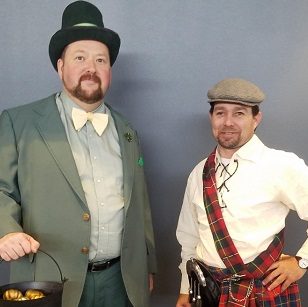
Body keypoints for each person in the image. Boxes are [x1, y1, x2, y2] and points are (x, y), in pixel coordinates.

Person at [0, 1, 156, 307]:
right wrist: (5, 231)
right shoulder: (18, 123)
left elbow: (141, 205)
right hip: (48, 279)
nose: (91, 68)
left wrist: (147, 265)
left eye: (101, 60)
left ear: (110, 70)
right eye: (80, 57)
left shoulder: (127, 131)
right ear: (61, 67)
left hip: (122, 282)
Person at [176, 78, 308, 306]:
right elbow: (189, 239)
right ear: (211, 118)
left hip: (263, 291)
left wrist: (302, 262)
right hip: (211, 293)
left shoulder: (281, 165)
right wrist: (186, 290)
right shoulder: (199, 173)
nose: (228, 122)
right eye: (220, 113)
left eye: (239, 113)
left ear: (256, 118)